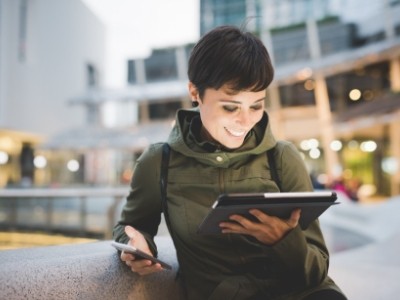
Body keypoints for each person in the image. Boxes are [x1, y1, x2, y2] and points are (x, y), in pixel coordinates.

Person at [113, 25, 346, 300]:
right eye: (230, 107)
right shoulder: (159, 162)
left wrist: (284, 240)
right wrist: (134, 244)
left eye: (256, 106)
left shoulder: (282, 157)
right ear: (195, 92)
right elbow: (130, 226)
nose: (245, 121)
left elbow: (317, 270)